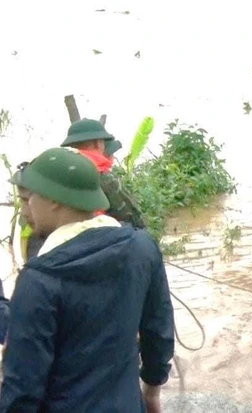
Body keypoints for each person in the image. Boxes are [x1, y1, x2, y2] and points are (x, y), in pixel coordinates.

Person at [0, 148, 175, 412]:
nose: (24, 210)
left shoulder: (40, 279)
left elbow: (23, 387)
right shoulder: (141, 249)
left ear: (54, 200)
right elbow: (158, 331)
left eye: (28, 199)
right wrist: (152, 391)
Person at [61, 118, 146, 229]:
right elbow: (130, 216)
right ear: (98, 144)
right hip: (102, 237)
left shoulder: (61, 173)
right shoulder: (102, 176)